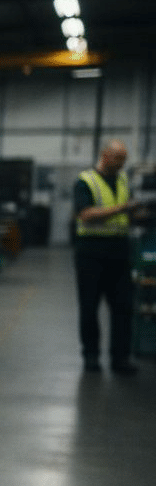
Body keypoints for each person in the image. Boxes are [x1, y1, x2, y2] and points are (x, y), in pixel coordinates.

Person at [73, 140, 144, 374]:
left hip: (119, 253)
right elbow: (86, 215)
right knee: (89, 307)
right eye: (118, 158)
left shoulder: (123, 180)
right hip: (91, 253)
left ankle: (120, 358)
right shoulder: (85, 181)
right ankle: (91, 356)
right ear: (105, 155)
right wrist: (123, 208)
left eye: (124, 158)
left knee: (122, 307)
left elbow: (127, 211)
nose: (122, 163)